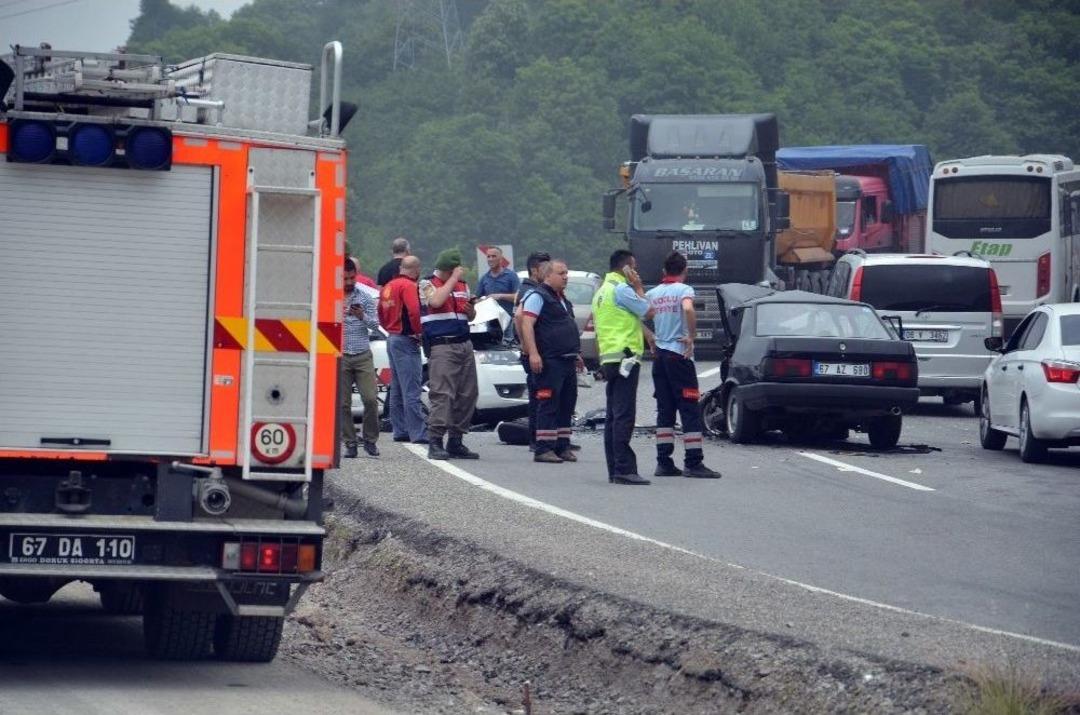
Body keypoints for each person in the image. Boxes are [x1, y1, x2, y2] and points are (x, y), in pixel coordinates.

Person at [645, 252, 721, 479]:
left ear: (663, 272)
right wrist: (692, 336)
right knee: (689, 408)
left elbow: (637, 315)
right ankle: (693, 462)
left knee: (665, 410)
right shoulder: (683, 290)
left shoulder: (653, 293)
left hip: (660, 357)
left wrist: (650, 336)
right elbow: (688, 309)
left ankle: (663, 462)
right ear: (684, 271)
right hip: (679, 356)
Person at [592, 249, 654, 485]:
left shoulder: (601, 292)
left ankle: (614, 468)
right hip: (626, 358)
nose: (636, 272)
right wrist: (639, 288)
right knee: (624, 415)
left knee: (613, 415)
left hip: (610, 358)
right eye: (634, 267)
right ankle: (624, 468)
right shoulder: (622, 289)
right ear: (626, 268)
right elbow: (648, 311)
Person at [519, 259, 582, 463]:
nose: (566, 277)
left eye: (566, 273)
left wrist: (576, 354)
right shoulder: (538, 296)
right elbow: (525, 322)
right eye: (561, 273)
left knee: (567, 403)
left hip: (567, 358)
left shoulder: (560, 298)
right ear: (548, 276)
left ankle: (562, 446)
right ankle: (543, 448)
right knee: (548, 402)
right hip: (550, 359)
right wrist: (533, 352)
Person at [420, 248, 480, 461]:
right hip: (442, 345)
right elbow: (435, 302)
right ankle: (435, 440)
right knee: (443, 394)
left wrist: (470, 309)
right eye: (454, 271)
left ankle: (456, 440)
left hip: (464, 343)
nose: (459, 275)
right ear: (446, 269)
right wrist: (453, 279)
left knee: (468, 393)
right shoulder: (427, 284)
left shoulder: (463, 285)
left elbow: (471, 315)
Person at [377, 255, 427, 444]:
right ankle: (418, 433)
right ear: (416, 269)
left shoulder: (389, 286)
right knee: (412, 389)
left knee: (397, 387)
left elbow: (380, 312)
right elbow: (414, 311)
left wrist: (390, 328)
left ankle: (400, 429)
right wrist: (418, 332)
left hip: (392, 337)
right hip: (406, 339)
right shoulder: (409, 286)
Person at [340, 258, 382, 458]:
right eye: (345, 278)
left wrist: (361, 317)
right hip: (340, 356)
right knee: (343, 403)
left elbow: (376, 325)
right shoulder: (331, 297)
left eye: (351, 277)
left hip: (362, 354)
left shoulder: (364, 297)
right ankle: (350, 443)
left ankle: (370, 440)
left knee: (371, 399)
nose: (348, 282)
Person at [514, 251, 551, 452]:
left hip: (541, 351)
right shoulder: (529, 291)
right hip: (534, 352)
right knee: (539, 396)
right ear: (535, 270)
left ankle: (543, 437)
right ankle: (536, 439)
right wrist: (528, 347)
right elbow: (519, 319)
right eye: (545, 269)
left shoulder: (539, 289)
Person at [476, 246, 521, 339]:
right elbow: (477, 299)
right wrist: (482, 300)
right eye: (488, 257)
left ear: (500, 259)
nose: (490, 259)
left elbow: (519, 297)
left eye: (493, 256)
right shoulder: (484, 278)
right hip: (491, 322)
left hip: (508, 321)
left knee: (509, 349)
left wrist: (499, 296)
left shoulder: (511, 276)